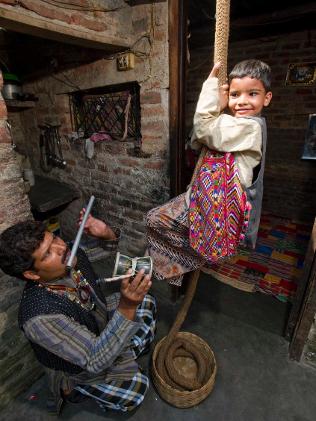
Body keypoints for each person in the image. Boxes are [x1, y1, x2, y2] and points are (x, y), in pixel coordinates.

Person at [0, 211, 156, 415]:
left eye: (54, 237)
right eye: (48, 254)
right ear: (32, 274)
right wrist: (127, 306)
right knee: (137, 389)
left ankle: (124, 353)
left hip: (95, 318)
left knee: (147, 301)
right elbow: (94, 359)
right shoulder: (39, 316)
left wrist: (106, 233)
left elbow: (102, 250)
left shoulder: (67, 256)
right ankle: (74, 390)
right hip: (78, 366)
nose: (62, 247)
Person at [147, 59, 272, 286]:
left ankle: (190, 260)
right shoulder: (231, 124)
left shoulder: (250, 127)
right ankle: (185, 263)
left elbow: (203, 129)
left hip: (219, 207)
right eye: (235, 95)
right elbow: (197, 139)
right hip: (204, 197)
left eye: (252, 94)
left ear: (267, 98)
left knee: (156, 220)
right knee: (155, 220)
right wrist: (213, 116)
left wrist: (211, 87)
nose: (242, 101)